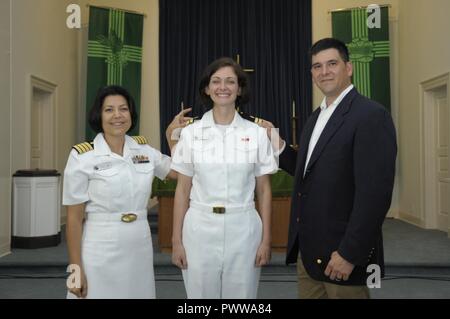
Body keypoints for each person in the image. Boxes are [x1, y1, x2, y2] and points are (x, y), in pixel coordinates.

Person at [258, 38, 397, 298]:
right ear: (311, 73)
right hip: (309, 254)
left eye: (332, 64)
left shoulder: (371, 116)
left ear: (349, 68)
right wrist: (277, 145)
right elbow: (307, 172)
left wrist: (349, 253)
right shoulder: (316, 117)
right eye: (317, 66)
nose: (324, 72)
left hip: (342, 256)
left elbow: (375, 196)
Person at [63, 85, 191, 299]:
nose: (117, 116)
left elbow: (180, 173)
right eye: (109, 110)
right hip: (99, 246)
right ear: (99, 115)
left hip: (138, 244)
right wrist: (75, 274)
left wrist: (172, 137)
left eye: (123, 109)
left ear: (131, 114)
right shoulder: (82, 156)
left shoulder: (144, 150)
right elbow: (74, 219)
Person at [169, 57, 278, 298]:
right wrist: (176, 240)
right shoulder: (190, 133)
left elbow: (264, 191)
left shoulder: (257, 134)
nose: (223, 87)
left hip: (244, 228)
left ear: (240, 89)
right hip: (199, 229)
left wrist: (266, 240)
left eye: (230, 81)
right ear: (207, 89)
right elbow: (183, 190)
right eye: (216, 81)